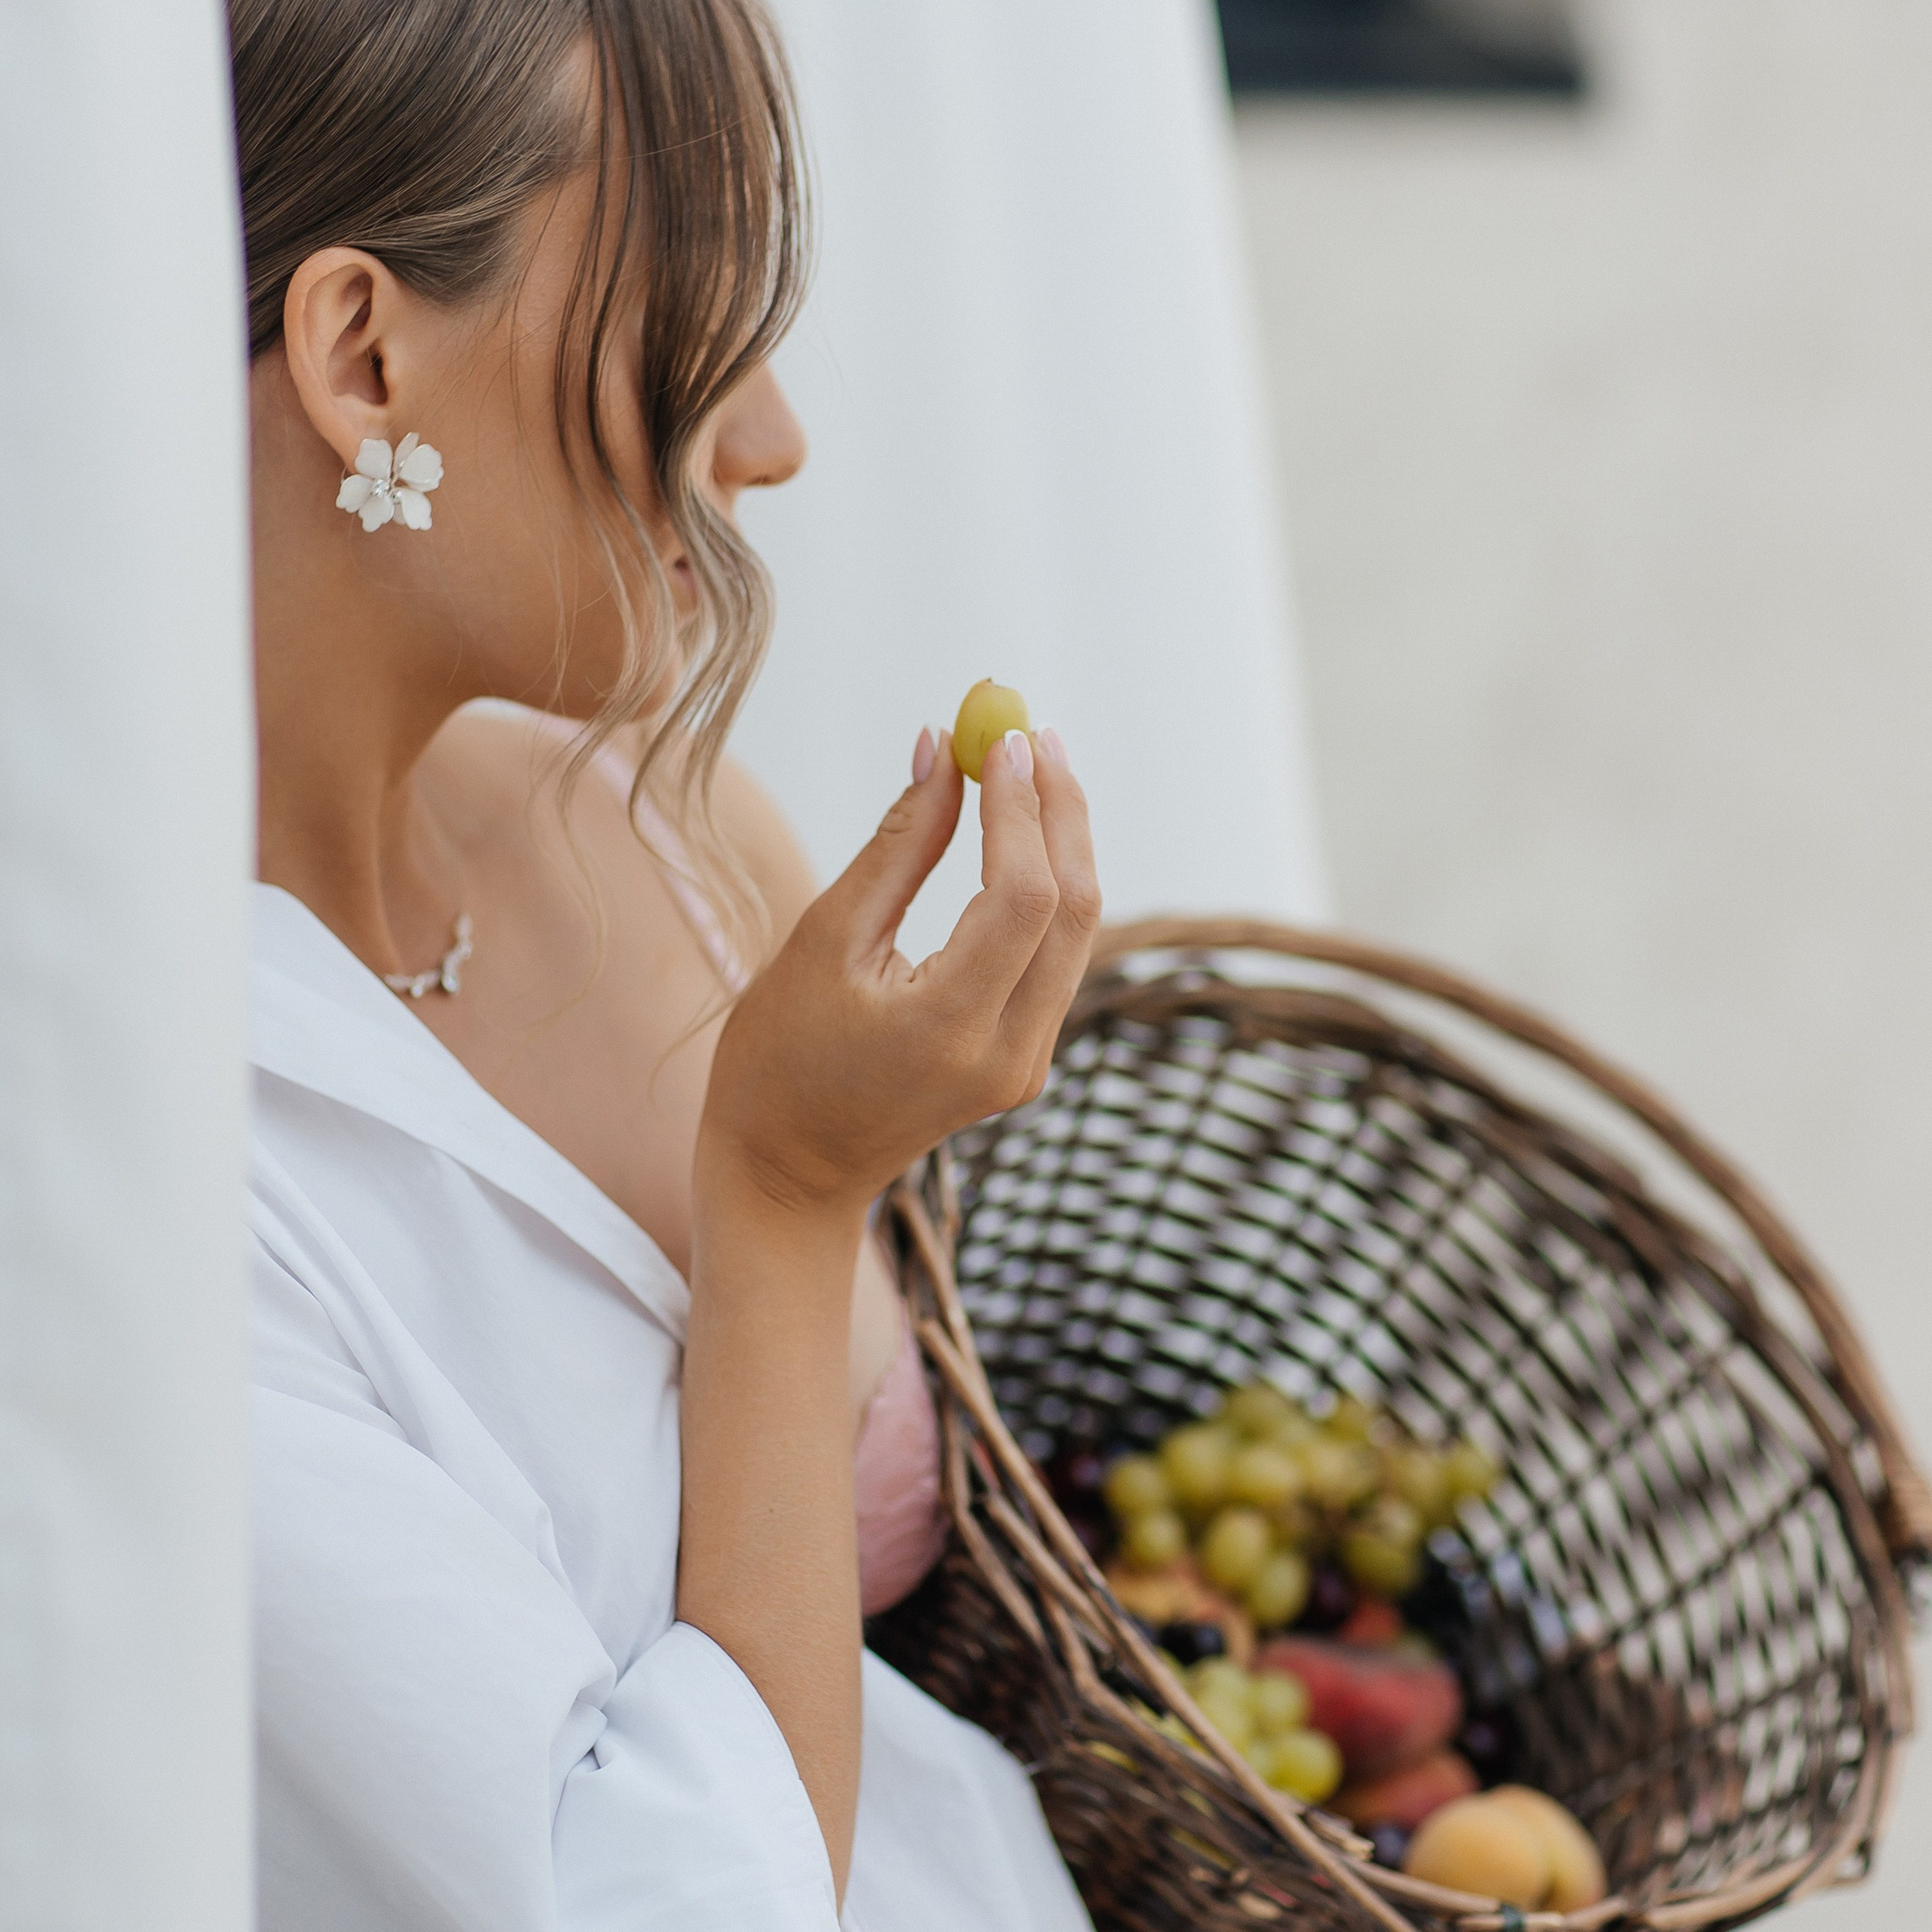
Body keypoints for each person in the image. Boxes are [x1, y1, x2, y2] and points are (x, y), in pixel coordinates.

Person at [235, 2, 1101, 1927]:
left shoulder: (686, 847)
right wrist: (781, 1193)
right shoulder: (147, 1168)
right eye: (690, 321)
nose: (772, 441)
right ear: (364, 355)